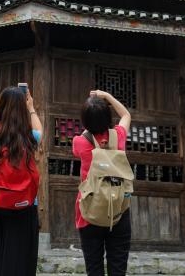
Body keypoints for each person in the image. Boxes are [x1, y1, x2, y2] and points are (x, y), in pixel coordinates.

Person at [0, 86, 43, 276]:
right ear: (23, 109)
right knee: (22, 259)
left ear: (1, 107)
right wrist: (31, 108)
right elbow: (40, 130)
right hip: (26, 205)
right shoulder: (31, 137)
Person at [72, 90, 132, 276]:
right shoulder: (119, 137)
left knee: (94, 268)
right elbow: (126, 115)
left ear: (85, 121)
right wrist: (106, 97)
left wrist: (89, 125)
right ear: (108, 117)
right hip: (118, 211)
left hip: (89, 213)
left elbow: (86, 135)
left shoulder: (80, 142)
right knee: (118, 267)